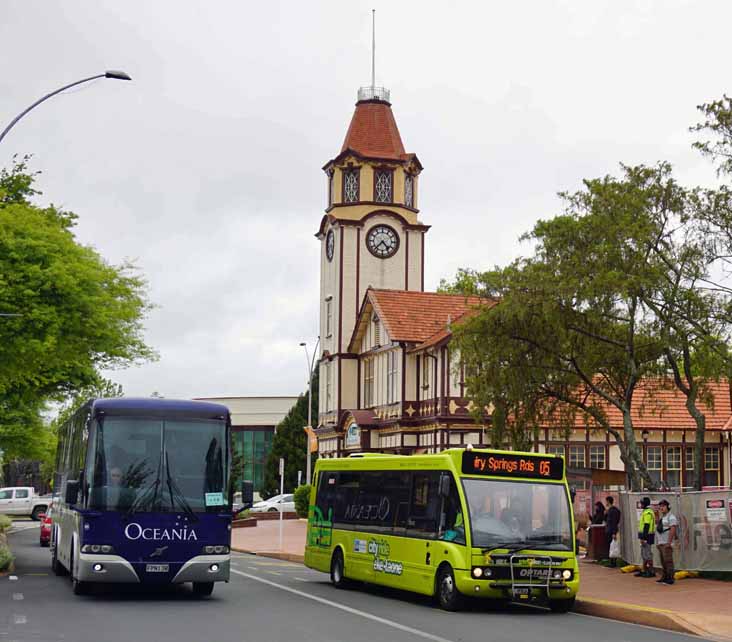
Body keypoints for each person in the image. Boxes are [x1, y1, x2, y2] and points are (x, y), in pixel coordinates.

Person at [655, 499, 678, 585]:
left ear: (668, 507)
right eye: (660, 506)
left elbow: (673, 529)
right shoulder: (662, 518)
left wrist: (669, 542)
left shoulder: (671, 517)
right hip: (661, 543)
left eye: (663, 506)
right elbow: (658, 529)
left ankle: (670, 578)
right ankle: (664, 577)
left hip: (666, 543)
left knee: (668, 561)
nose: (661, 508)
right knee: (663, 561)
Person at [635, 497, 656, 577]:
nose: (640, 504)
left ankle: (651, 571)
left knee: (647, 554)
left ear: (644, 504)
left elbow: (646, 526)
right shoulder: (645, 511)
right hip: (645, 536)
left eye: (641, 503)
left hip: (647, 536)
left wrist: (643, 538)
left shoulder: (648, 512)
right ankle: (644, 570)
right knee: (644, 554)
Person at [605, 496, 621, 567]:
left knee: (613, 546)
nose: (606, 503)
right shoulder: (610, 510)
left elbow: (614, 522)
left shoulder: (613, 511)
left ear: (608, 501)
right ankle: (612, 561)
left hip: (611, 531)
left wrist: (614, 533)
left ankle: (613, 562)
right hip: (610, 530)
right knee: (611, 546)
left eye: (606, 501)